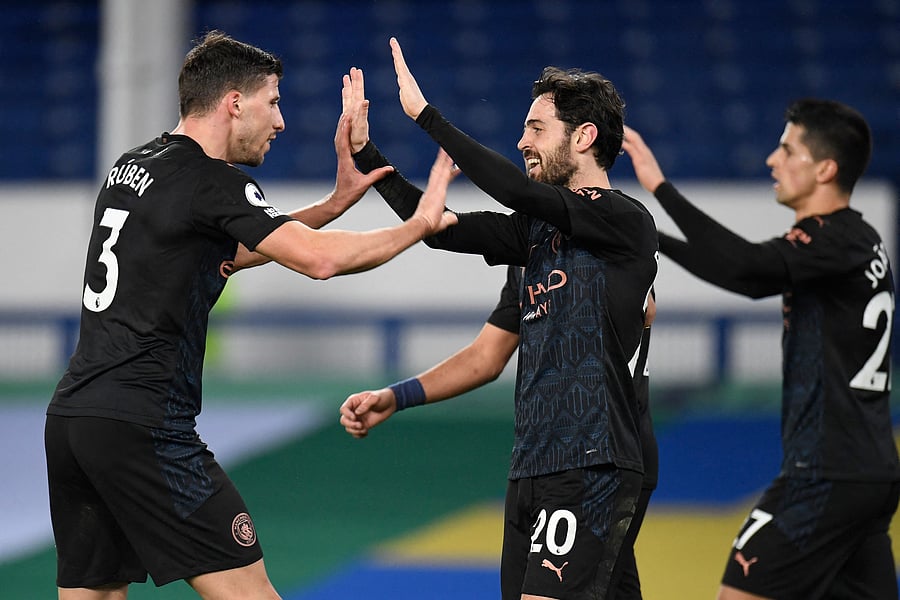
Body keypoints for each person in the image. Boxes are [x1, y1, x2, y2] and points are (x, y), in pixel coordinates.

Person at [44, 31, 458, 600]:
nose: (281, 121)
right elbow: (319, 263)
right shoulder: (213, 181)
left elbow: (220, 251)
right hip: (145, 425)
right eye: (274, 101)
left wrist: (332, 205)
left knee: (96, 593)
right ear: (234, 102)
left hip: (74, 420)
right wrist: (419, 225)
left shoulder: (133, 167)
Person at [340, 38, 659, 599]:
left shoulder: (625, 222)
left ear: (583, 137)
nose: (522, 142)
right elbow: (438, 236)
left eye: (536, 129)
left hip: (594, 461)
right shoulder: (532, 240)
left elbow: (513, 188)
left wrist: (427, 117)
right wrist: (369, 156)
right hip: (533, 468)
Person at [622, 100, 900, 599]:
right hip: (865, 475)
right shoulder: (856, 240)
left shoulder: (832, 239)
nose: (773, 159)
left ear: (825, 168)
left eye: (787, 148)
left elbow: (745, 269)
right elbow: (746, 274)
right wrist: (649, 235)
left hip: (824, 474)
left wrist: (660, 193)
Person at [340, 265, 658, 599]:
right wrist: (395, 397)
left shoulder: (604, 229)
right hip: (539, 460)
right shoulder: (528, 255)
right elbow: (486, 355)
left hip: (597, 459)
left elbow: (645, 306)